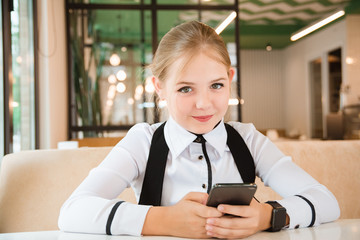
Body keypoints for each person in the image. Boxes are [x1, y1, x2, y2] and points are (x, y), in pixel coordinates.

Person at [58, 21, 340, 239]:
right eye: (185, 88)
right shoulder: (143, 141)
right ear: (160, 88)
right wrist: (164, 220)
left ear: (230, 79)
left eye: (216, 85)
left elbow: (326, 201)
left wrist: (269, 216)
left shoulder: (248, 139)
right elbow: (72, 211)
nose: (204, 104)